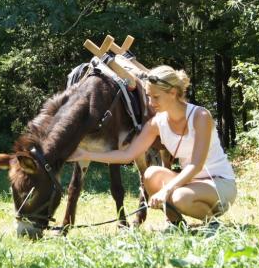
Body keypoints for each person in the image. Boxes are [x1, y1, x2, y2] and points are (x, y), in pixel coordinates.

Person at [68, 65, 237, 229]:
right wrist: (85, 154)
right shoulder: (157, 123)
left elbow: (196, 164)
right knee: (150, 174)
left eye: (155, 97)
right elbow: (127, 154)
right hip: (190, 183)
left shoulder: (200, 116)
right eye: (148, 96)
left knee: (178, 197)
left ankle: (213, 223)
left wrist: (167, 190)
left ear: (172, 93)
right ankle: (176, 224)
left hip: (218, 183)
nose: (150, 102)